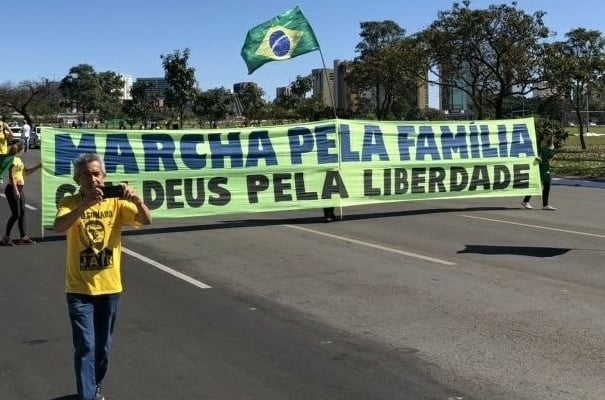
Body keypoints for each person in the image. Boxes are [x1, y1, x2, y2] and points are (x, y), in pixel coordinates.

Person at [53, 153, 152, 400]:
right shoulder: (70, 201)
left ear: (104, 177)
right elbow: (58, 225)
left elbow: (146, 220)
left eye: (96, 174)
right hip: (79, 288)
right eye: (86, 174)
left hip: (109, 287)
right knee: (85, 345)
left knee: (103, 346)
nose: (92, 179)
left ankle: (96, 383)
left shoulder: (116, 202)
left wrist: (137, 201)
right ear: (77, 179)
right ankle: (87, 396)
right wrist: (86, 205)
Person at [2, 143, 41, 246]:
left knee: (22, 213)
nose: (24, 151)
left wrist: (39, 166)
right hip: (12, 189)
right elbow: (11, 175)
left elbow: (26, 172)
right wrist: (15, 190)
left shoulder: (19, 160)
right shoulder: (13, 160)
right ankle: (6, 237)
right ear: (19, 150)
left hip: (19, 189)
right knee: (16, 214)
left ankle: (23, 237)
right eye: (23, 150)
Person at [521, 131, 557, 211]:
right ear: (543, 135)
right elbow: (531, 152)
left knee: (547, 184)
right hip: (536, 165)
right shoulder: (537, 143)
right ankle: (526, 201)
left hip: (545, 166)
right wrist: (536, 157)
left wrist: (546, 149)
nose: (548, 136)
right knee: (535, 184)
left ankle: (545, 205)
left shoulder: (551, 144)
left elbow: (550, 156)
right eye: (546, 134)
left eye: (550, 135)